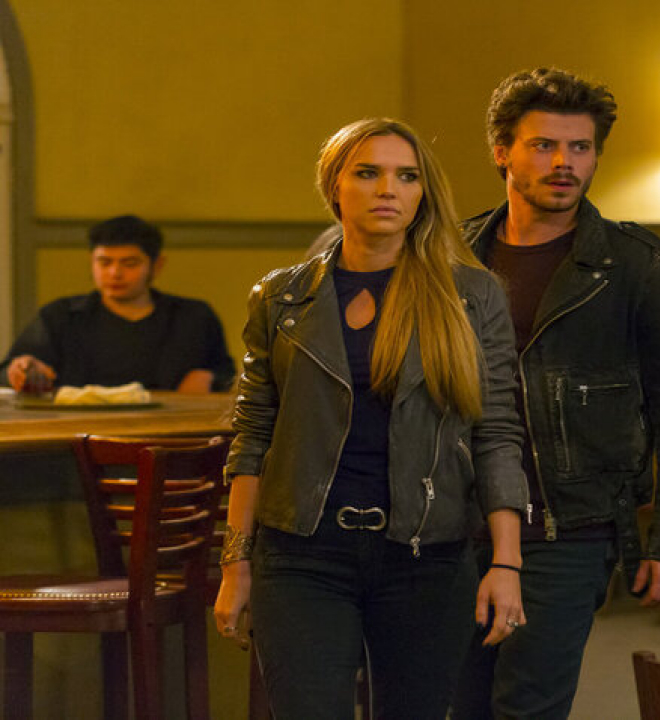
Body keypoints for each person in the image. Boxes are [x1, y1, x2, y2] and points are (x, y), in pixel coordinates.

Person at [213, 118, 528, 720]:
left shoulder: (471, 295)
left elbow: (496, 433)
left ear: (423, 193)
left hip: (426, 555)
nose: (388, 189)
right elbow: (252, 435)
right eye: (367, 173)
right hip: (302, 554)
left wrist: (506, 562)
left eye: (406, 176)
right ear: (334, 186)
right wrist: (236, 562)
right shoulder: (281, 297)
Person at [451, 68, 660, 719]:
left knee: (526, 706)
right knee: (453, 705)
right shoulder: (451, 258)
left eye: (580, 147)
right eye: (544, 145)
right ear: (501, 152)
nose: (564, 163)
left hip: (568, 524)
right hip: (453, 522)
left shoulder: (636, 265)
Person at [2, 214, 235, 393]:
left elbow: (229, 375)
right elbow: (7, 373)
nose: (115, 273)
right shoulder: (62, 316)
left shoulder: (193, 317)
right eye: (104, 262)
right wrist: (21, 370)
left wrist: (210, 378)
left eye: (130, 263)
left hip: (172, 432)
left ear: (156, 265)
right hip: (78, 430)